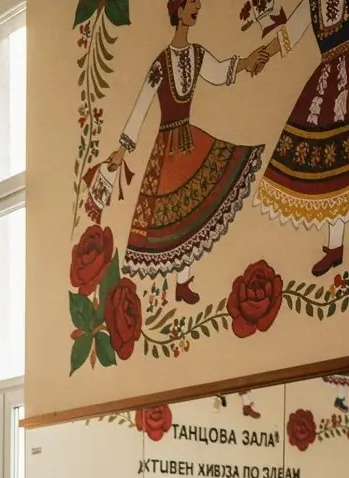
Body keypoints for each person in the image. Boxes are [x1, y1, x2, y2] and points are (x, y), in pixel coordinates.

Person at [108, 0, 267, 304]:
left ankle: (184, 282)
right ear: (179, 11)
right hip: (167, 146)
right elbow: (141, 106)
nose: (199, 7)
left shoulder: (196, 55)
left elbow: (220, 72)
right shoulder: (160, 62)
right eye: (192, 3)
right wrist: (122, 149)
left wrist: (249, 61)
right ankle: (180, 282)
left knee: (192, 212)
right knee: (174, 215)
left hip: (190, 141)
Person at [255, 1, 349, 276]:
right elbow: (289, 34)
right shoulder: (312, 3)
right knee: (333, 172)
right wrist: (263, 54)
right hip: (328, 86)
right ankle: (335, 248)